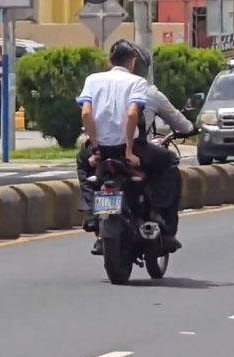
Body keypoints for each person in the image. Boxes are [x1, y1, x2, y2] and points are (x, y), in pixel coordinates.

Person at [76, 40, 186, 255]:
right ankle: (165, 224)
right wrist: (128, 152)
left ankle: (93, 213)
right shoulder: (137, 82)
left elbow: (86, 113)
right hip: (130, 149)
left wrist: (96, 150)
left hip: (100, 150)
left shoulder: (92, 80)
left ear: (110, 60)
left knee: (83, 163)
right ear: (133, 62)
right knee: (170, 161)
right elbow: (132, 114)